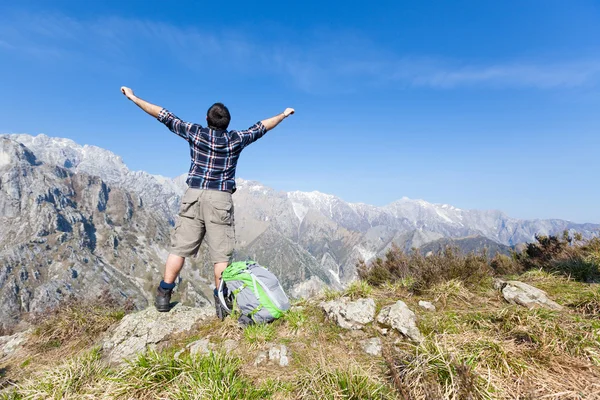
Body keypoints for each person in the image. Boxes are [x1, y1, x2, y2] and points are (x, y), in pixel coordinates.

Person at [120, 86, 295, 314]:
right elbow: (261, 127)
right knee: (220, 255)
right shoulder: (236, 139)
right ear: (227, 123)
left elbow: (162, 114)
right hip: (220, 199)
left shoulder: (195, 132)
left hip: (193, 195)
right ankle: (222, 305)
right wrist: (283, 115)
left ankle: (164, 294)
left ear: (207, 119)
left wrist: (133, 97)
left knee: (179, 248)